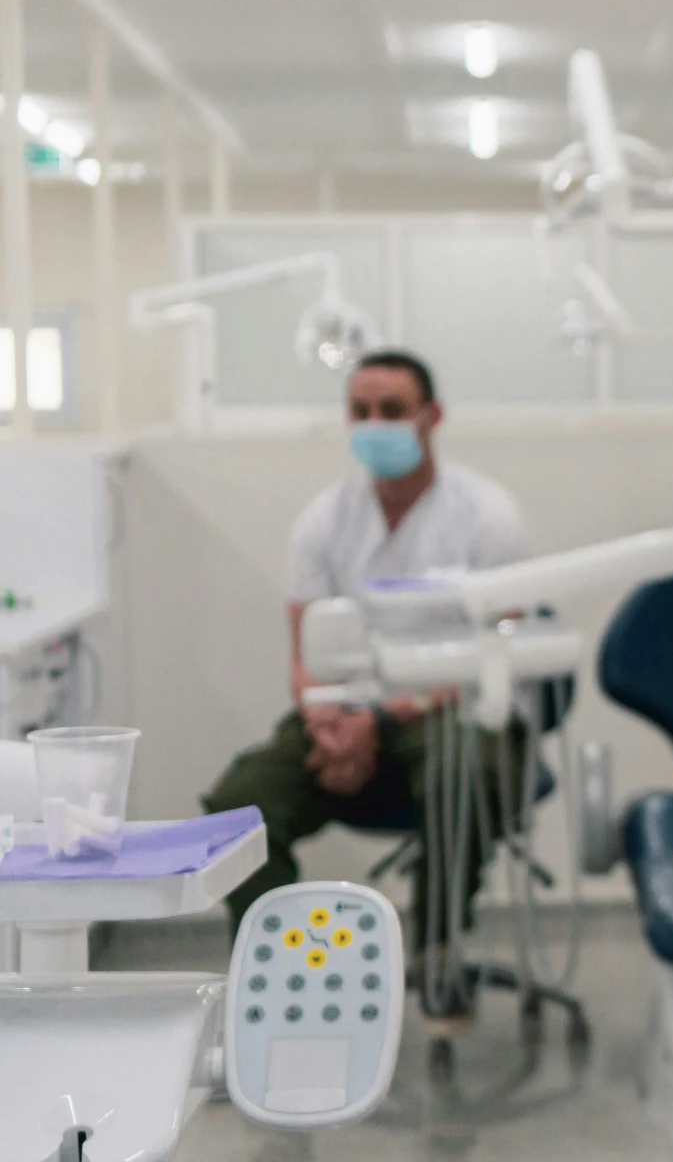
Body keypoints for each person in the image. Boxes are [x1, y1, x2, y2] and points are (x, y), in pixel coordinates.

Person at [202, 350, 531, 997]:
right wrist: (329, 722)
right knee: (237, 805)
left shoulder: (487, 516)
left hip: (446, 715)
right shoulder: (326, 520)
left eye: (392, 410)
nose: (374, 424)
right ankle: (280, 975)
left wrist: (381, 722)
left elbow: (496, 656)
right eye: (361, 411)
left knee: (464, 775)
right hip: (339, 717)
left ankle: (439, 951)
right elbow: (305, 656)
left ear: (431, 416)